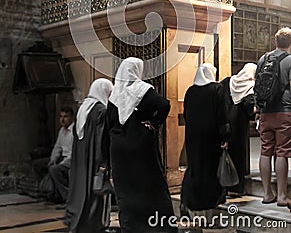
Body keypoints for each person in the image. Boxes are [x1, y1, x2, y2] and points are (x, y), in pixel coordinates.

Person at [107, 57, 177, 233]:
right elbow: (164, 105)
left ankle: (131, 226)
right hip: (140, 146)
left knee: (127, 189)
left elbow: (110, 124)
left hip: (119, 150)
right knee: (150, 186)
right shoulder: (143, 90)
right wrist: (153, 124)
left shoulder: (114, 95)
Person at [180, 63, 229, 220]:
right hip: (211, 135)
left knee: (195, 165)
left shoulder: (190, 91)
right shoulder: (217, 89)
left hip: (193, 135)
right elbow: (222, 114)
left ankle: (189, 199)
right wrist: (224, 136)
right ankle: (210, 200)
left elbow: (186, 114)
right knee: (210, 167)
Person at [65, 78, 113, 233]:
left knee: (80, 190)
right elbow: (101, 138)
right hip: (93, 159)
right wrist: (103, 162)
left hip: (80, 159)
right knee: (94, 192)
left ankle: (77, 221)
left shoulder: (83, 107)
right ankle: (93, 224)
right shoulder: (100, 111)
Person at [256, 27, 291, 207]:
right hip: (284, 110)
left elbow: (257, 84)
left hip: (264, 111)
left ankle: (267, 194)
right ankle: (282, 196)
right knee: (282, 152)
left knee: (265, 151)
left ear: (275, 41)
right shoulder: (290, 60)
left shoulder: (263, 59)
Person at [220, 63, 256, 196]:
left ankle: (223, 186)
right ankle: (236, 188)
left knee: (225, 155)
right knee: (238, 155)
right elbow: (249, 108)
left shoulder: (228, 82)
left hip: (225, 123)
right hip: (239, 126)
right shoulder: (250, 88)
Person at [33, 105, 74, 203]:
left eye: (65, 117)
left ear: (71, 118)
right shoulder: (61, 131)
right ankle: (48, 191)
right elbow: (57, 147)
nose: (62, 120)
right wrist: (53, 159)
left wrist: (61, 164)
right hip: (61, 157)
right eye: (61, 117)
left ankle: (67, 197)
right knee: (38, 164)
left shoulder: (74, 132)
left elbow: (72, 153)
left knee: (54, 169)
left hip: (70, 160)